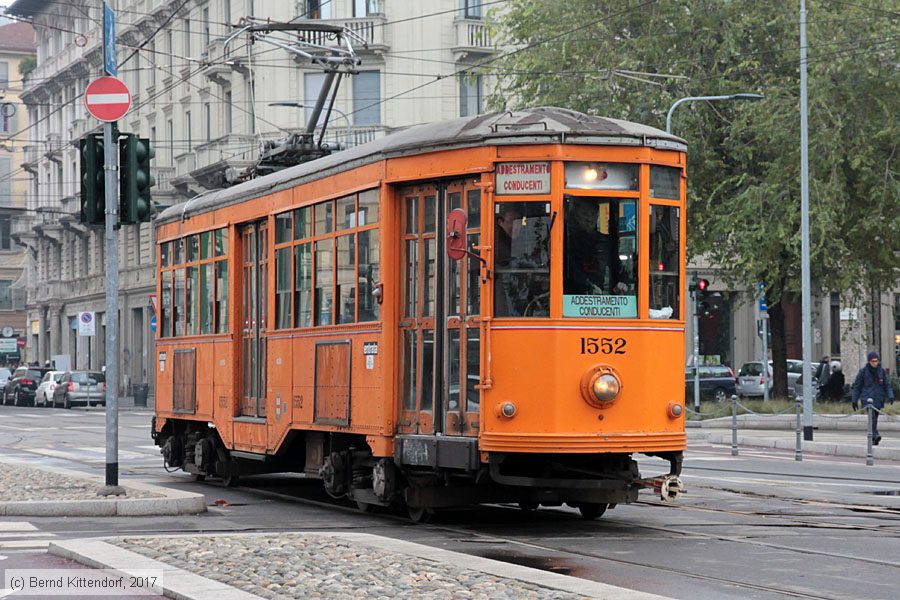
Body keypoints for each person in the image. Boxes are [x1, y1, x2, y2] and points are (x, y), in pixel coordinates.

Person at [851, 351, 894, 445]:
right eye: (873, 361)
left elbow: (887, 385)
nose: (875, 363)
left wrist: (890, 395)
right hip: (867, 399)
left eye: (876, 361)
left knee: (875, 418)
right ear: (869, 361)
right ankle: (875, 434)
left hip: (878, 398)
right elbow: (857, 387)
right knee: (872, 417)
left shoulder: (881, 371)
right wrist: (854, 400)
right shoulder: (863, 372)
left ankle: (872, 437)